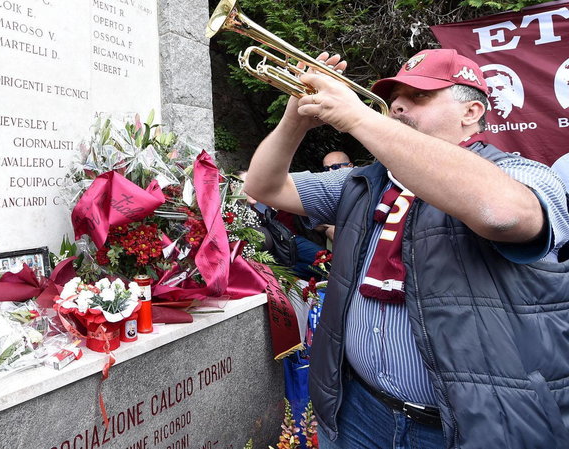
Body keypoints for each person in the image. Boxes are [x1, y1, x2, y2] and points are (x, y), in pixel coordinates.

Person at [243, 49, 569, 449]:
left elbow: (502, 214)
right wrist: (294, 120)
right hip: (360, 409)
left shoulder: (519, 172)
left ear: (471, 112)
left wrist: (359, 118)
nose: (397, 104)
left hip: (471, 426)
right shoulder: (367, 180)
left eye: (419, 96)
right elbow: (263, 187)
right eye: (395, 96)